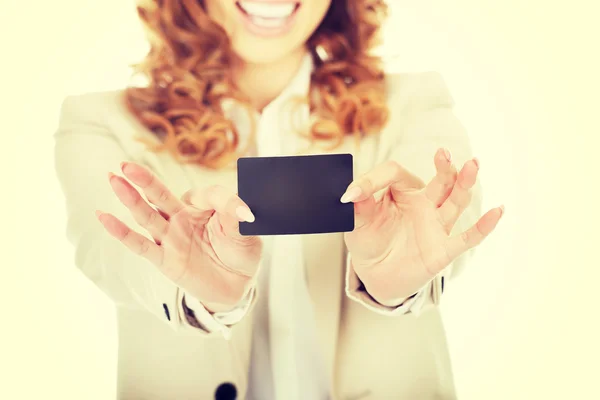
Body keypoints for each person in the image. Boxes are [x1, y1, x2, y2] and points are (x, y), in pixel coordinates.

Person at [54, 0, 503, 399]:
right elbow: (107, 247)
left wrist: (398, 281)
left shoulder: (412, 103)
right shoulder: (101, 122)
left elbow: (443, 202)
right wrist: (195, 295)